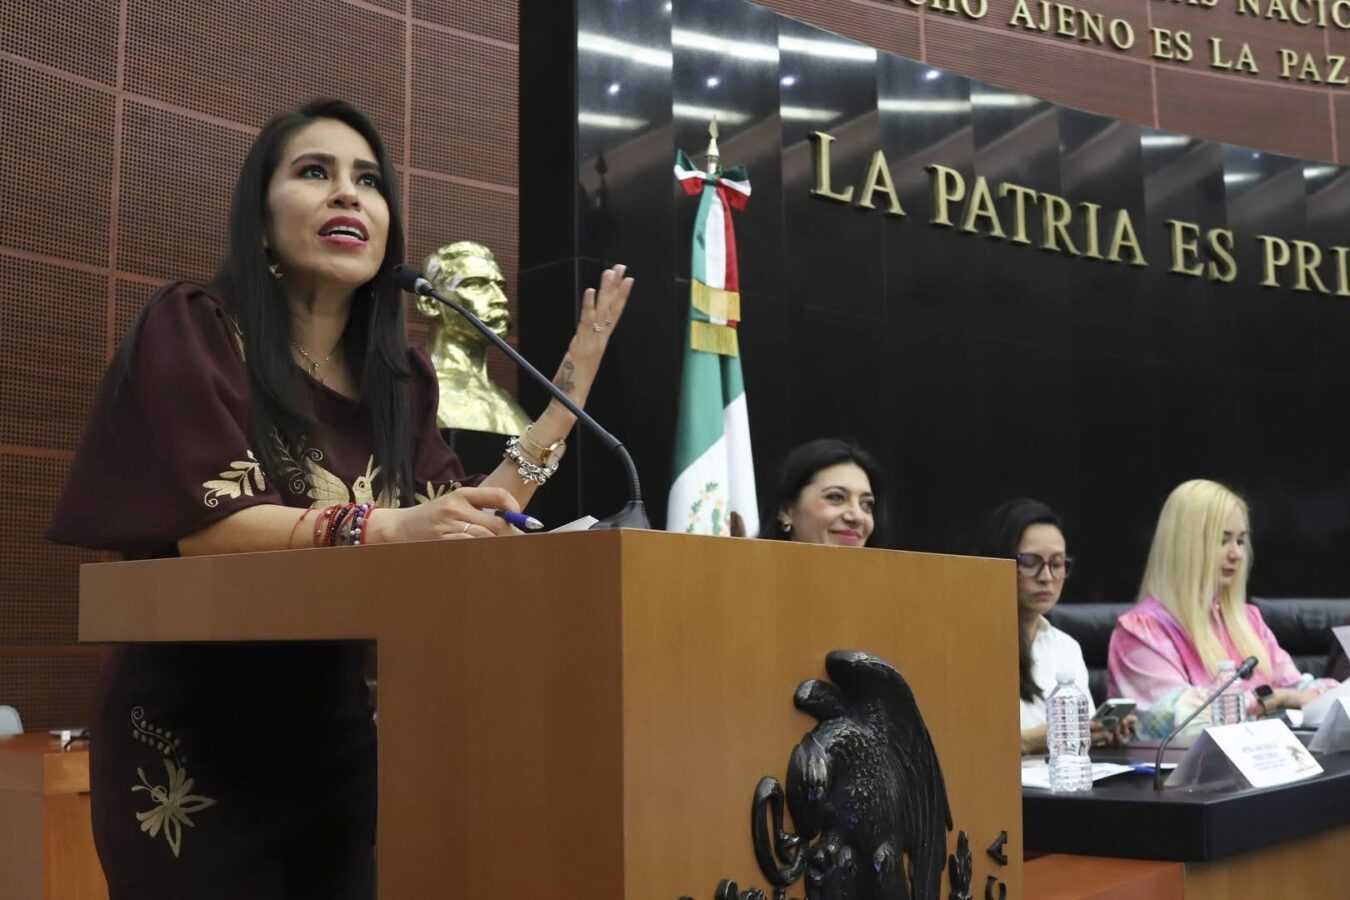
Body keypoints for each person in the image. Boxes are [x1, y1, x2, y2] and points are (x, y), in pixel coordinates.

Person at [46, 99, 633, 899]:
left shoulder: (403, 383)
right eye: (314, 173)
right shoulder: (197, 329)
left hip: (336, 743)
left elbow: (461, 522)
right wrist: (386, 525)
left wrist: (566, 399)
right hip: (192, 739)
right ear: (258, 219)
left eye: (368, 181)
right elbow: (208, 526)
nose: (347, 195)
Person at [1108, 479, 1338, 739]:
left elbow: (1297, 685)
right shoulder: (1139, 631)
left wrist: (1315, 695)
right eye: (1223, 540)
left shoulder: (1246, 619)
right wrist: (1278, 699)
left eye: (1240, 541)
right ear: (1185, 545)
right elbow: (1180, 721)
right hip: (1187, 777)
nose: (1236, 554)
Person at [974, 499, 1133, 755]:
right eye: (1030, 562)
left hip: (1067, 786)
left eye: (1057, 564)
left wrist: (1101, 733)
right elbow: (961, 747)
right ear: (998, 560)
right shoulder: (969, 645)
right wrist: (1030, 741)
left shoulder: (1066, 647)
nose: (1046, 577)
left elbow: (1077, 739)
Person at [416, 240, 532, 434]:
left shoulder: (504, 402)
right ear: (429, 303)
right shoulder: (417, 394)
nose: (500, 299)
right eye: (476, 284)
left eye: (501, 287)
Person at [757, 439, 889, 548]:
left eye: (866, 504)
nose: (858, 517)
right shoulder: (743, 576)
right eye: (836, 497)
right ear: (786, 510)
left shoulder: (894, 578)